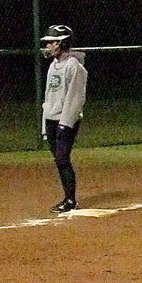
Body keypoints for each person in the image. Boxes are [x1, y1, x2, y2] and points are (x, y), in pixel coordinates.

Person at [40, 24, 87, 214]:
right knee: (59, 159)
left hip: (65, 120)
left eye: (51, 42)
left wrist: (65, 123)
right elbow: (49, 96)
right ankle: (67, 197)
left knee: (62, 159)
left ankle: (70, 200)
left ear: (62, 43)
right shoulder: (54, 65)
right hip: (52, 119)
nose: (48, 46)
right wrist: (46, 125)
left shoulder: (73, 66)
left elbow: (75, 97)